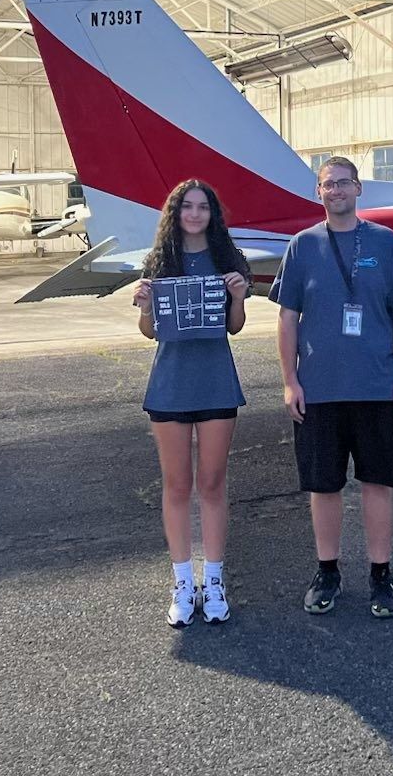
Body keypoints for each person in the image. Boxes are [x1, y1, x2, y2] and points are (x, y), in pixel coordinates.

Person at [270, 156, 393, 618]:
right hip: (318, 390)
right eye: (327, 184)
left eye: (343, 182)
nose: (335, 190)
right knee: (325, 486)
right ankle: (328, 573)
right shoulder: (301, 247)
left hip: (376, 386)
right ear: (319, 193)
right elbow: (287, 317)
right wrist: (290, 380)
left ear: (359, 189)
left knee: (377, 484)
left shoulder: (385, 242)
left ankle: (381, 575)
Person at [131, 179, 251, 628]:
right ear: (175, 213)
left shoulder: (228, 259)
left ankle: (214, 579)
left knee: (213, 483)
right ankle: (183, 581)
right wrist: (144, 307)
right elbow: (151, 331)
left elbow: (234, 326)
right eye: (188, 207)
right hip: (170, 386)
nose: (196, 214)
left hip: (217, 385)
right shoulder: (160, 261)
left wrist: (237, 297)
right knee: (177, 485)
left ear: (213, 214)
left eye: (203, 207)